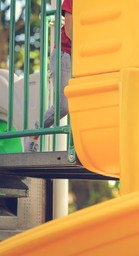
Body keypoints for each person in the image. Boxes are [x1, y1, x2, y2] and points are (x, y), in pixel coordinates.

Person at [24, 0, 72, 152]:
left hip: (83, 56)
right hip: (66, 55)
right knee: (63, 106)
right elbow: (70, 30)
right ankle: (34, 133)